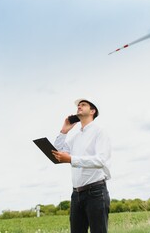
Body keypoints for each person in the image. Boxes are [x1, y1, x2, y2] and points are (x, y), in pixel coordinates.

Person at [52, 98, 111, 233]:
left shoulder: (100, 131)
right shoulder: (76, 137)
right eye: (78, 105)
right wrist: (64, 131)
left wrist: (72, 159)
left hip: (95, 192)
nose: (79, 106)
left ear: (92, 111)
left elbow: (101, 160)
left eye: (83, 104)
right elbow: (56, 153)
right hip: (76, 194)